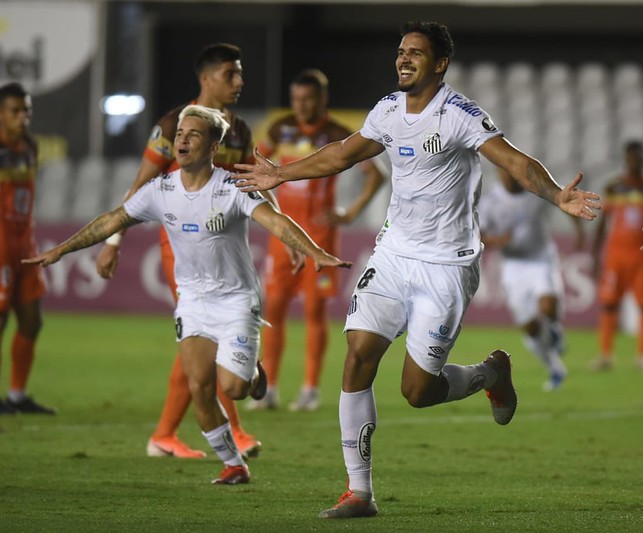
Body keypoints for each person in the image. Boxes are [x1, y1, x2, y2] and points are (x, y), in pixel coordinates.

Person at [235, 21, 600, 518]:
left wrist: (557, 194)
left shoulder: (459, 115)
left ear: (440, 64)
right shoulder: (387, 109)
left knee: (417, 392)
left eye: (416, 53)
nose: (403, 59)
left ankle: (491, 372)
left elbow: (514, 162)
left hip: (446, 266)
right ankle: (359, 493)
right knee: (358, 354)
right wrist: (281, 172)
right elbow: (343, 154)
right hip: (392, 256)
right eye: (401, 51)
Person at [25, 105, 351, 484]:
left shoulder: (229, 187)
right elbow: (112, 219)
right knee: (199, 388)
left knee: (234, 388)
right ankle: (233, 465)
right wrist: (61, 249)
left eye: (193, 134)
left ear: (214, 146)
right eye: (180, 133)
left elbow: (275, 220)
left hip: (236, 301)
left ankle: (255, 374)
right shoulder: (161, 190)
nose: (182, 139)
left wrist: (315, 253)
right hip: (193, 301)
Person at [95, 43, 261, 458]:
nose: (239, 82)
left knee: (200, 340)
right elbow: (140, 183)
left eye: (240, 74)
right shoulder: (174, 124)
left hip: (224, 247)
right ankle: (222, 431)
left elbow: (252, 185)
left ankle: (168, 435)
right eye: (230, 74)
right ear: (206, 79)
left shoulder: (237, 130)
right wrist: (114, 241)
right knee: (200, 335)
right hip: (181, 248)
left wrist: (286, 234)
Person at [247, 69, 386, 412]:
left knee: (313, 310)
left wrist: (349, 213)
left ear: (323, 100)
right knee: (274, 308)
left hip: (321, 234)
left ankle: (309, 389)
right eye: (296, 99)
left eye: (309, 99)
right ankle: (270, 387)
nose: (302, 105)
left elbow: (375, 175)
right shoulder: (280, 129)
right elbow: (255, 162)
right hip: (284, 233)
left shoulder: (337, 133)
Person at [479, 167, 585, 392]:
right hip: (513, 267)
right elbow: (479, 236)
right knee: (530, 327)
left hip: (541, 259)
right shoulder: (491, 202)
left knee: (547, 305)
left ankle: (555, 330)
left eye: (513, 172)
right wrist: (499, 241)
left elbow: (563, 202)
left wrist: (580, 231)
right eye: (506, 172)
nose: (510, 176)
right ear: (500, 175)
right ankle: (554, 366)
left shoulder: (534, 193)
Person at [0, 82, 54, 415]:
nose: (23, 117)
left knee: (32, 320)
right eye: (15, 111)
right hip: (0, 242)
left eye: (27, 110)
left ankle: (17, 396)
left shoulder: (29, 147)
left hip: (24, 242)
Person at [590, 141, 643, 373]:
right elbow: (603, 222)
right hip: (616, 255)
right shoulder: (614, 187)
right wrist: (595, 255)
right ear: (626, 158)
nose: (635, 161)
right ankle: (605, 355)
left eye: (639, 157)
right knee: (609, 303)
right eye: (631, 157)